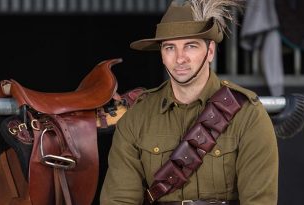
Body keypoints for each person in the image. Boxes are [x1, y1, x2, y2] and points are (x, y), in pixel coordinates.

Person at [100, 0, 278, 204]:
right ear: (162, 55)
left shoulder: (247, 115)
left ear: (210, 51)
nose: (180, 58)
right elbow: (119, 199)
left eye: (190, 46)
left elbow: (259, 200)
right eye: (170, 48)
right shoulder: (137, 117)